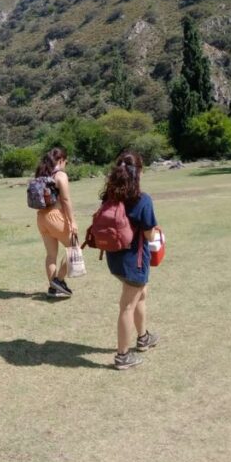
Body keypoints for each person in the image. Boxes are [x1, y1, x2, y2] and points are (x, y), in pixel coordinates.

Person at [100, 151, 160, 370]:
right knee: (127, 305)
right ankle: (123, 356)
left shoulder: (109, 197)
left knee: (140, 295)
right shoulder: (142, 200)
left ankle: (143, 337)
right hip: (134, 263)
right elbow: (149, 235)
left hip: (115, 261)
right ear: (139, 172)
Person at [34, 147, 79, 298]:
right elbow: (65, 200)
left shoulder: (42, 174)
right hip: (56, 217)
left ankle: (53, 288)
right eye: (66, 161)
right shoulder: (60, 175)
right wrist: (72, 221)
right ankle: (59, 281)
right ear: (61, 160)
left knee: (51, 255)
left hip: (41, 217)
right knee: (74, 248)